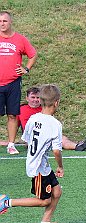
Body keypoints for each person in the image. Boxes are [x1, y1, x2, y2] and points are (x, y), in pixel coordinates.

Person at [0, 84, 66, 223]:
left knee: (57, 192)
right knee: (44, 200)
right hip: (38, 168)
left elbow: (27, 139)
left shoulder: (33, 118)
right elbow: (57, 150)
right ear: (56, 102)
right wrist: (60, 166)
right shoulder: (55, 124)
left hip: (41, 164)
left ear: (41, 101)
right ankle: (7, 202)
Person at [0, 11, 37, 155]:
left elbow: (32, 55)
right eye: (0, 21)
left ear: (10, 22)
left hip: (13, 83)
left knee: (12, 115)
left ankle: (11, 144)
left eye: (4, 21)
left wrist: (26, 69)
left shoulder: (20, 39)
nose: (2, 24)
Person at [16, 87, 86, 151]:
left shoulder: (45, 108)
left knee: (62, 138)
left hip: (46, 133)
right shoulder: (20, 109)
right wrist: (11, 142)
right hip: (32, 137)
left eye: (38, 97)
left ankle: (77, 146)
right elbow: (14, 126)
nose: (35, 100)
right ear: (27, 98)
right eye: (33, 97)